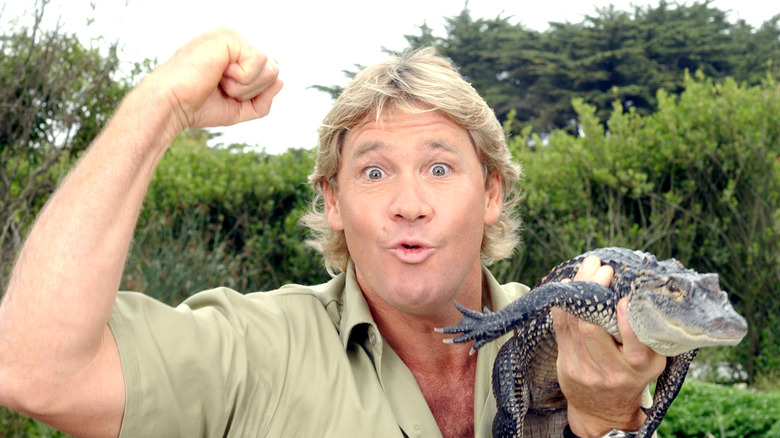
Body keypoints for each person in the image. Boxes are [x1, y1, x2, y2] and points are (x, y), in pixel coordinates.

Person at [0, 28, 666, 437]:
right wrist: (163, 101)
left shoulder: (575, 333)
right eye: (374, 172)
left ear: (491, 193)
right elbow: (33, 371)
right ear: (335, 199)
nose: (409, 203)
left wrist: (602, 422)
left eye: (439, 166)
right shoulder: (251, 352)